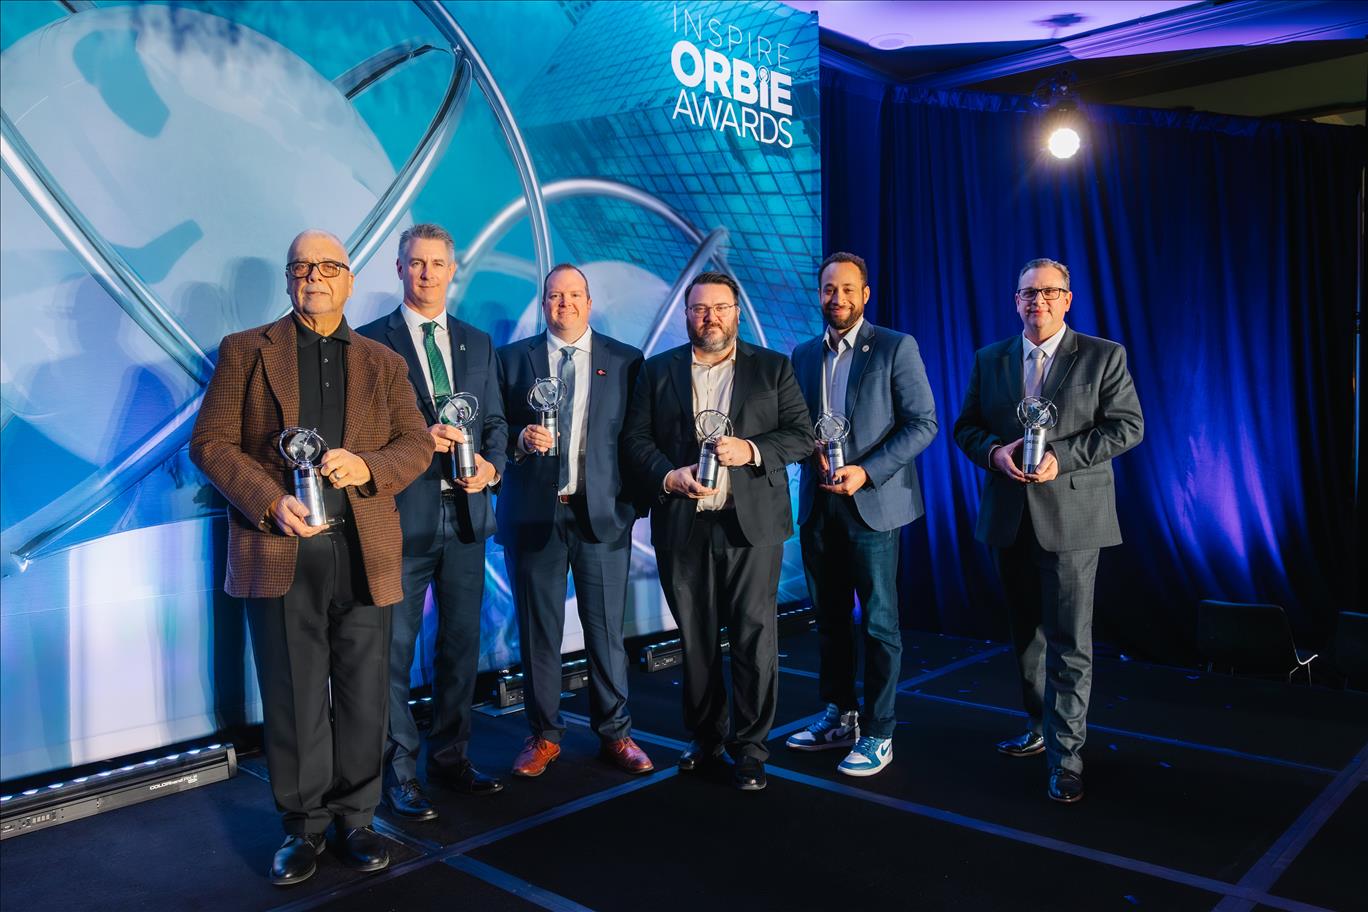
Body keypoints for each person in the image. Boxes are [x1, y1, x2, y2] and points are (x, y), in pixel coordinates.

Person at [190, 230, 432, 884]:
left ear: (349, 279)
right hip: (278, 548)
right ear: (288, 279)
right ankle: (303, 828)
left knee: (363, 694)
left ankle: (358, 819)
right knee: (293, 697)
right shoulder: (246, 351)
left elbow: (416, 444)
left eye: (327, 267)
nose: (314, 277)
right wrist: (269, 501)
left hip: (363, 551)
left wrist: (368, 466)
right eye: (301, 268)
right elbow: (210, 444)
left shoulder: (384, 362)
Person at [952, 257, 1143, 803]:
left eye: (1048, 292)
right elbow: (966, 428)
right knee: (1026, 639)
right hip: (1009, 519)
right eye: (1028, 293)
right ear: (1016, 301)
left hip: (1073, 520)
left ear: (1067, 299)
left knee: (1069, 642)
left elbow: (1128, 426)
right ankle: (1038, 726)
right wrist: (994, 452)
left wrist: (1064, 457)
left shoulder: (1103, 355)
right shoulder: (990, 359)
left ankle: (1067, 757)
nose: (1038, 301)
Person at [623, 271, 812, 791]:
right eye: (700, 308)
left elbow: (801, 436)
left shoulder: (772, 367)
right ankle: (706, 736)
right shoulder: (657, 370)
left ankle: (750, 748)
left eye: (720, 308)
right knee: (696, 639)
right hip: (683, 524)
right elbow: (635, 439)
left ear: (736, 313)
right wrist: (669, 475)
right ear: (686, 314)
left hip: (750, 527)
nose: (710, 317)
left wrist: (750, 450)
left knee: (754, 637)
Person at [356, 224, 507, 821]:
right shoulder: (371, 342)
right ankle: (399, 776)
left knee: (460, 648)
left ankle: (450, 758)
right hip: (400, 518)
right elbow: (363, 433)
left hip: (467, 517)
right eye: (415, 263)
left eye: (436, 264)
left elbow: (495, 421)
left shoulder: (477, 341)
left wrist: (490, 467)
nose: (426, 273)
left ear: (452, 270)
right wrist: (420, 439)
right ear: (399, 269)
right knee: (393, 653)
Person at [494, 264, 654, 778]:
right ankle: (544, 735)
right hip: (534, 515)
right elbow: (494, 429)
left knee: (605, 633)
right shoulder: (510, 359)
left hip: (601, 516)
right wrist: (520, 440)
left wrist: (631, 505)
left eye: (574, 295)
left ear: (589, 302)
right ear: (544, 303)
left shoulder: (625, 361)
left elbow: (637, 439)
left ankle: (616, 734)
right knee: (539, 633)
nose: (564, 303)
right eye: (555, 295)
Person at [786, 252, 938, 776]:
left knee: (877, 623)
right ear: (819, 294)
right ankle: (840, 715)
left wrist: (865, 471)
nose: (838, 298)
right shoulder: (803, 354)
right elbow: (797, 425)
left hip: (872, 504)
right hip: (818, 505)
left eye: (848, 289)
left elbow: (923, 423)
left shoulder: (896, 346)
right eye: (830, 289)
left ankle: (879, 731)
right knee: (829, 620)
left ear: (865, 294)